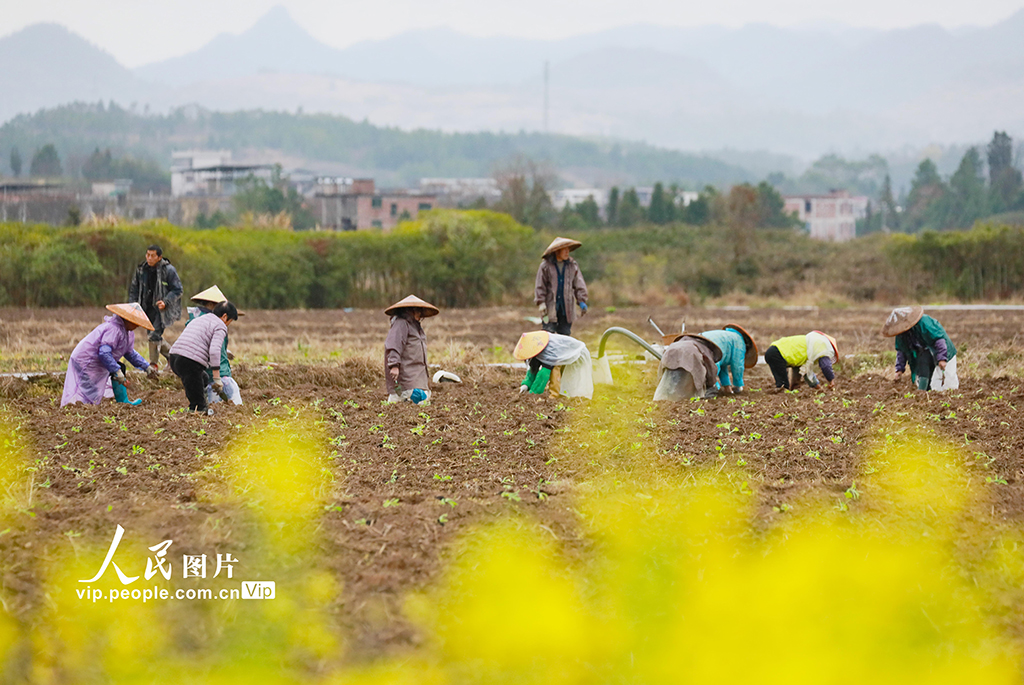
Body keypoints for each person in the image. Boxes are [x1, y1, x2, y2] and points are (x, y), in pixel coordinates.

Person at [61, 302, 159, 407]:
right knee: (90, 386)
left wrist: (146, 367)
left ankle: (123, 401)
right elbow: (104, 353)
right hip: (86, 360)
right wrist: (116, 370)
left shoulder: (128, 333)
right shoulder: (113, 329)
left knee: (121, 367)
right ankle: (81, 406)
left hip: (97, 359)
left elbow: (130, 353)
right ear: (127, 320)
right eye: (135, 322)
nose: (137, 326)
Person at [168, 301, 238, 413]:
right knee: (198, 403)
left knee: (202, 378)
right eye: (230, 322)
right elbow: (214, 351)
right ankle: (199, 409)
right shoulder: (220, 325)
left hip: (174, 357)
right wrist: (217, 379)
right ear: (225, 317)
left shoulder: (200, 319)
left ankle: (200, 403)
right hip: (189, 360)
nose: (228, 325)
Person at [128, 244, 183, 370]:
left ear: (159, 257)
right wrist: (132, 305)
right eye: (148, 255)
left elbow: (178, 290)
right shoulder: (141, 270)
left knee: (153, 336)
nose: (149, 258)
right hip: (146, 307)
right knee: (154, 336)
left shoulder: (168, 270)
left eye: (152, 256)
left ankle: (153, 366)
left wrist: (166, 302)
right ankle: (173, 358)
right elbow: (134, 289)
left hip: (162, 310)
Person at [187, 285, 243, 406]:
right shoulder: (217, 325)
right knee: (235, 404)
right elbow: (214, 351)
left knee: (210, 406)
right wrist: (219, 377)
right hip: (218, 374)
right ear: (212, 305)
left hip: (199, 375)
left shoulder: (194, 321)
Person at [882, 306, 958, 391]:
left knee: (948, 377)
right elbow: (902, 351)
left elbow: (939, 340)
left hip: (943, 351)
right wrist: (899, 369)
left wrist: (942, 358)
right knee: (931, 382)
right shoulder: (901, 334)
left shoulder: (925, 323)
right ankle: (927, 393)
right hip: (924, 354)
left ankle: (951, 395)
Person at [384, 295, 438, 404]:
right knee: (403, 402)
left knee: (422, 400)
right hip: (406, 376)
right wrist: (394, 365)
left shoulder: (416, 327)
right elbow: (394, 344)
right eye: (419, 311)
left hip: (417, 376)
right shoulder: (401, 324)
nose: (420, 315)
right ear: (411, 311)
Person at [514, 330, 593, 399]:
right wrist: (526, 385)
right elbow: (533, 368)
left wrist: (533, 393)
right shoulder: (536, 347)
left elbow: (543, 375)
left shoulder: (549, 351)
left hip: (576, 353)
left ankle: (554, 396)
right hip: (564, 354)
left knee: (555, 370)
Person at [535, 237, 588, 336]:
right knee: (548, 335)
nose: (567, 252)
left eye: (568, 249)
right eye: (564, 250)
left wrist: (582, 301)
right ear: (557, 251)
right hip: (550, 307)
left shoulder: (572, 266)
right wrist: (541, 302)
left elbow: (579, 284)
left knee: (565, 336)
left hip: (566, 308)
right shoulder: (545, 266)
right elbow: (540, 285)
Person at [654, 334, 722, 401]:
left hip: (669, 353)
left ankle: (663, 399)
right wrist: (711, 383)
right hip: (690, 357)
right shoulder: (703, 348)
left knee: (670, 379)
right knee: (690, 383)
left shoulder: (677, 344)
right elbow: (710, 368)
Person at [764, 331, 838, 391]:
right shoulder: (822, 348)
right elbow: (825, 366)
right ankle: (781, 399)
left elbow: (806, 372)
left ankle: (793, 388)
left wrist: (817, 387)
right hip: (777, 353)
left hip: (774, 351)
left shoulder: (808, 347)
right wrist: (831, 380)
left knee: (797, 370)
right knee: (783, 386)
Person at [700, 324, 758, 395]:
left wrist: (727, 385)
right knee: (712, 369)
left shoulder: (728, 337)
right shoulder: (739, 342)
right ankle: (712, 388)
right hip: (711, 347)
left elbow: (722, 365)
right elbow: (737, 366)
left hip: (697, 340)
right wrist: (738, 385)